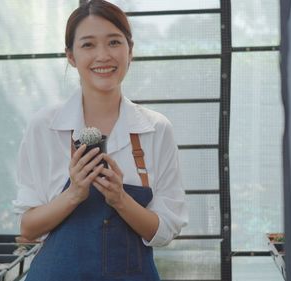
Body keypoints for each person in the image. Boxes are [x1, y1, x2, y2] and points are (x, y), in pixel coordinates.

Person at [12, 1, 188, 280]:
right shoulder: (44, 127)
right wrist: (73, 195)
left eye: (114, 42)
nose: (103, 55)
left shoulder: (155, 129)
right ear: (70, 56)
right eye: (88, 45)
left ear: (130, 50)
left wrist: (120, 199)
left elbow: (165, 231)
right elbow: (28, 229)